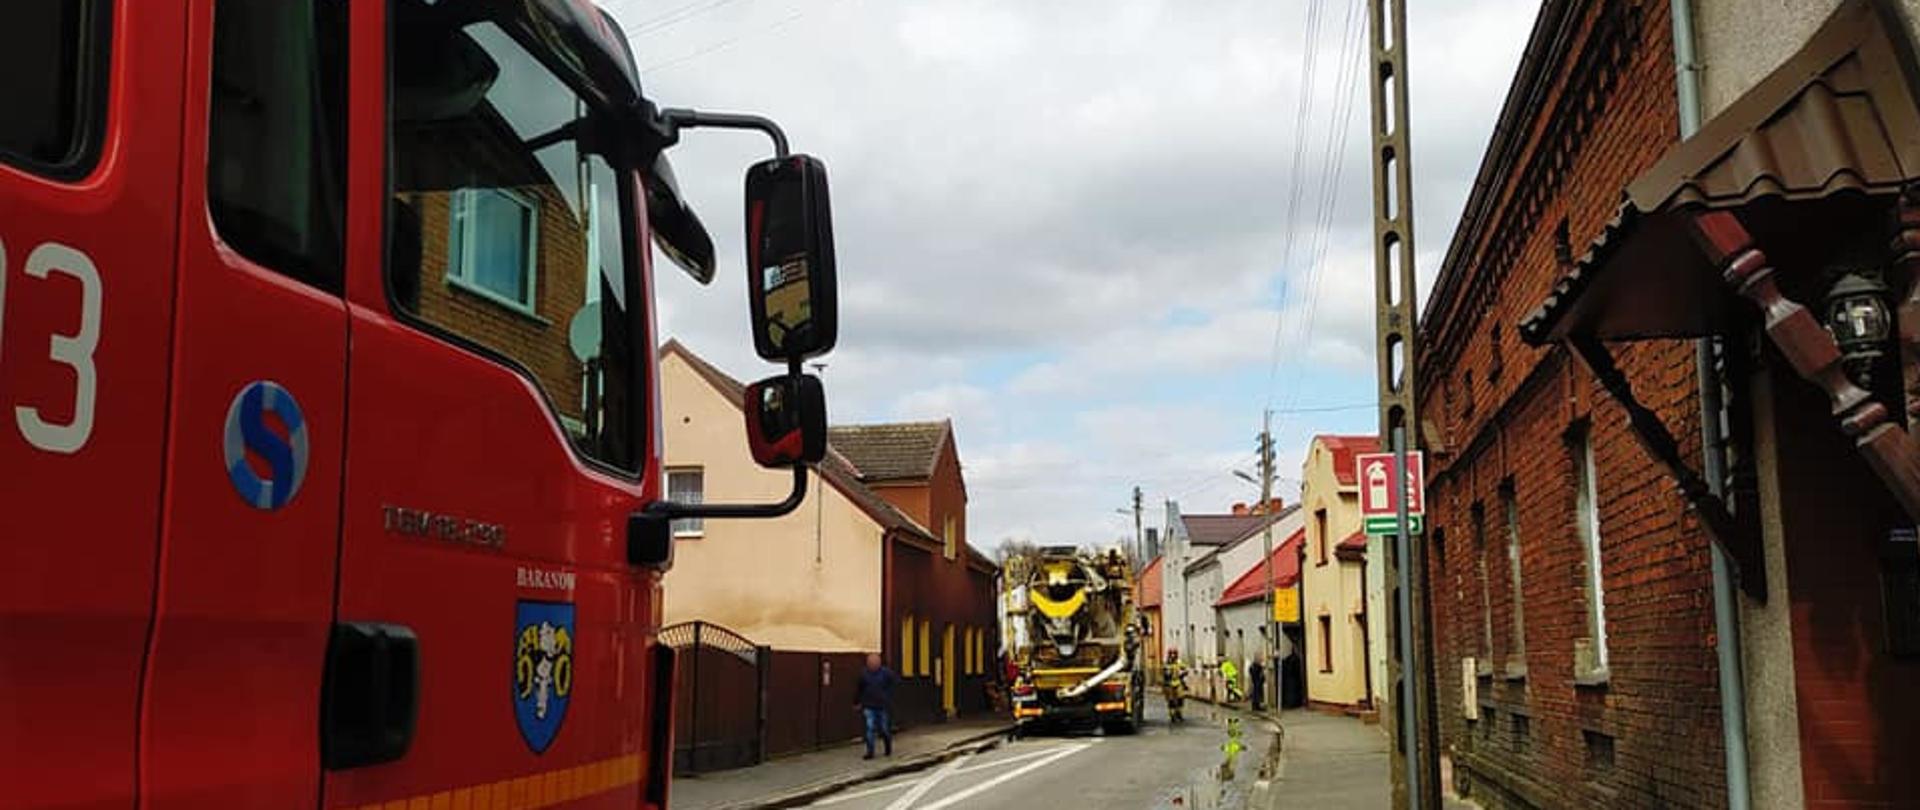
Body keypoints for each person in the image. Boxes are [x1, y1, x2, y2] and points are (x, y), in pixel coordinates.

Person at [853, 652, 897, 759]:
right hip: (869, 705)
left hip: (882, 705)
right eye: (870, 662)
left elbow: (894, 683)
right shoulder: (864, 674)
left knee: (884, 728)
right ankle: (870, 751)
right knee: (870, 727)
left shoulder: (886, 673)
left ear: (879, 662)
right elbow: (859, 688)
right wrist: (857, 702)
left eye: (874, 662)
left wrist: (888, 696)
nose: (872, 664)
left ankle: (887, 746)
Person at [1163, 651, 1189, 723]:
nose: (1173, 656)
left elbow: (1186, 669)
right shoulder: (1167, 664)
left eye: (1174, 654)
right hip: (1169, 683)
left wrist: (1183, 673)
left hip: (1178, 682)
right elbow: (1165, 673)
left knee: (1180, 698)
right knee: (1171, 700)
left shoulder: (1179, 662)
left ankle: (1179, 713)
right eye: (1171, 654)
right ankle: (1172, 714)